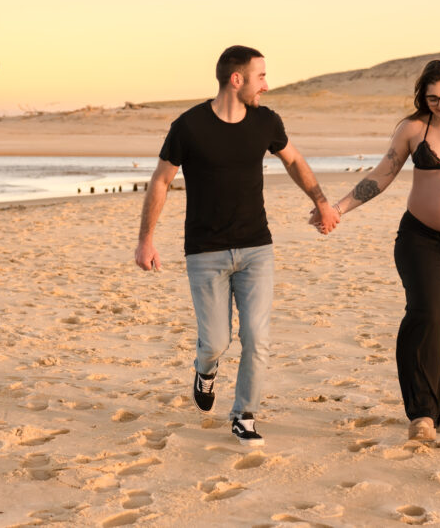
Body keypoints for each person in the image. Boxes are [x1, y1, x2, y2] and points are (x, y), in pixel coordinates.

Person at [136, 45, 339, 447]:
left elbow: (294, 160)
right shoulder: (189, 126)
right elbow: (161, 180)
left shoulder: (266, 121)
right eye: (260, 76)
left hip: (256, 249)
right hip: (205, 251)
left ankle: (244, 414)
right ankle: (204, 370)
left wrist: (321, 201)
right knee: (215, 342)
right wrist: (146, 239)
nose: (266, 85)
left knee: (257, 337)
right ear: (236, 79)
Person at [316, 60, 440, 441]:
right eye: (432, 98)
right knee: (427, 315)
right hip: (420, 239)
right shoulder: (412, 128)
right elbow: (381, 175)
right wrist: (337, 209)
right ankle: (421, 412)